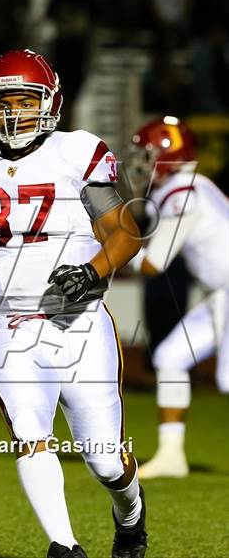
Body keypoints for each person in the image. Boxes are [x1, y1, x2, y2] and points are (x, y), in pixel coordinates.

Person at [0, 49, 147, 558]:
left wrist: (92, 271)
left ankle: (130, 514)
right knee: (29, 433)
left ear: (49, 103)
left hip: (79, 323)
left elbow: (125, 233)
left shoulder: (76, 152)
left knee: (105, 460)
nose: (12, 113)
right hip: (11, 324)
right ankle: (64, 546)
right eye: (3, 103)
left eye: (24, 101)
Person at [127, 116, 229, 479]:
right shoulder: (193, 184)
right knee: (170, 357)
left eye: (148, 155)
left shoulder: (181, 193)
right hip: (221, 294)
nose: (142, 165)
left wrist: (112, 249)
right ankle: (171, 456)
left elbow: (154, 264)